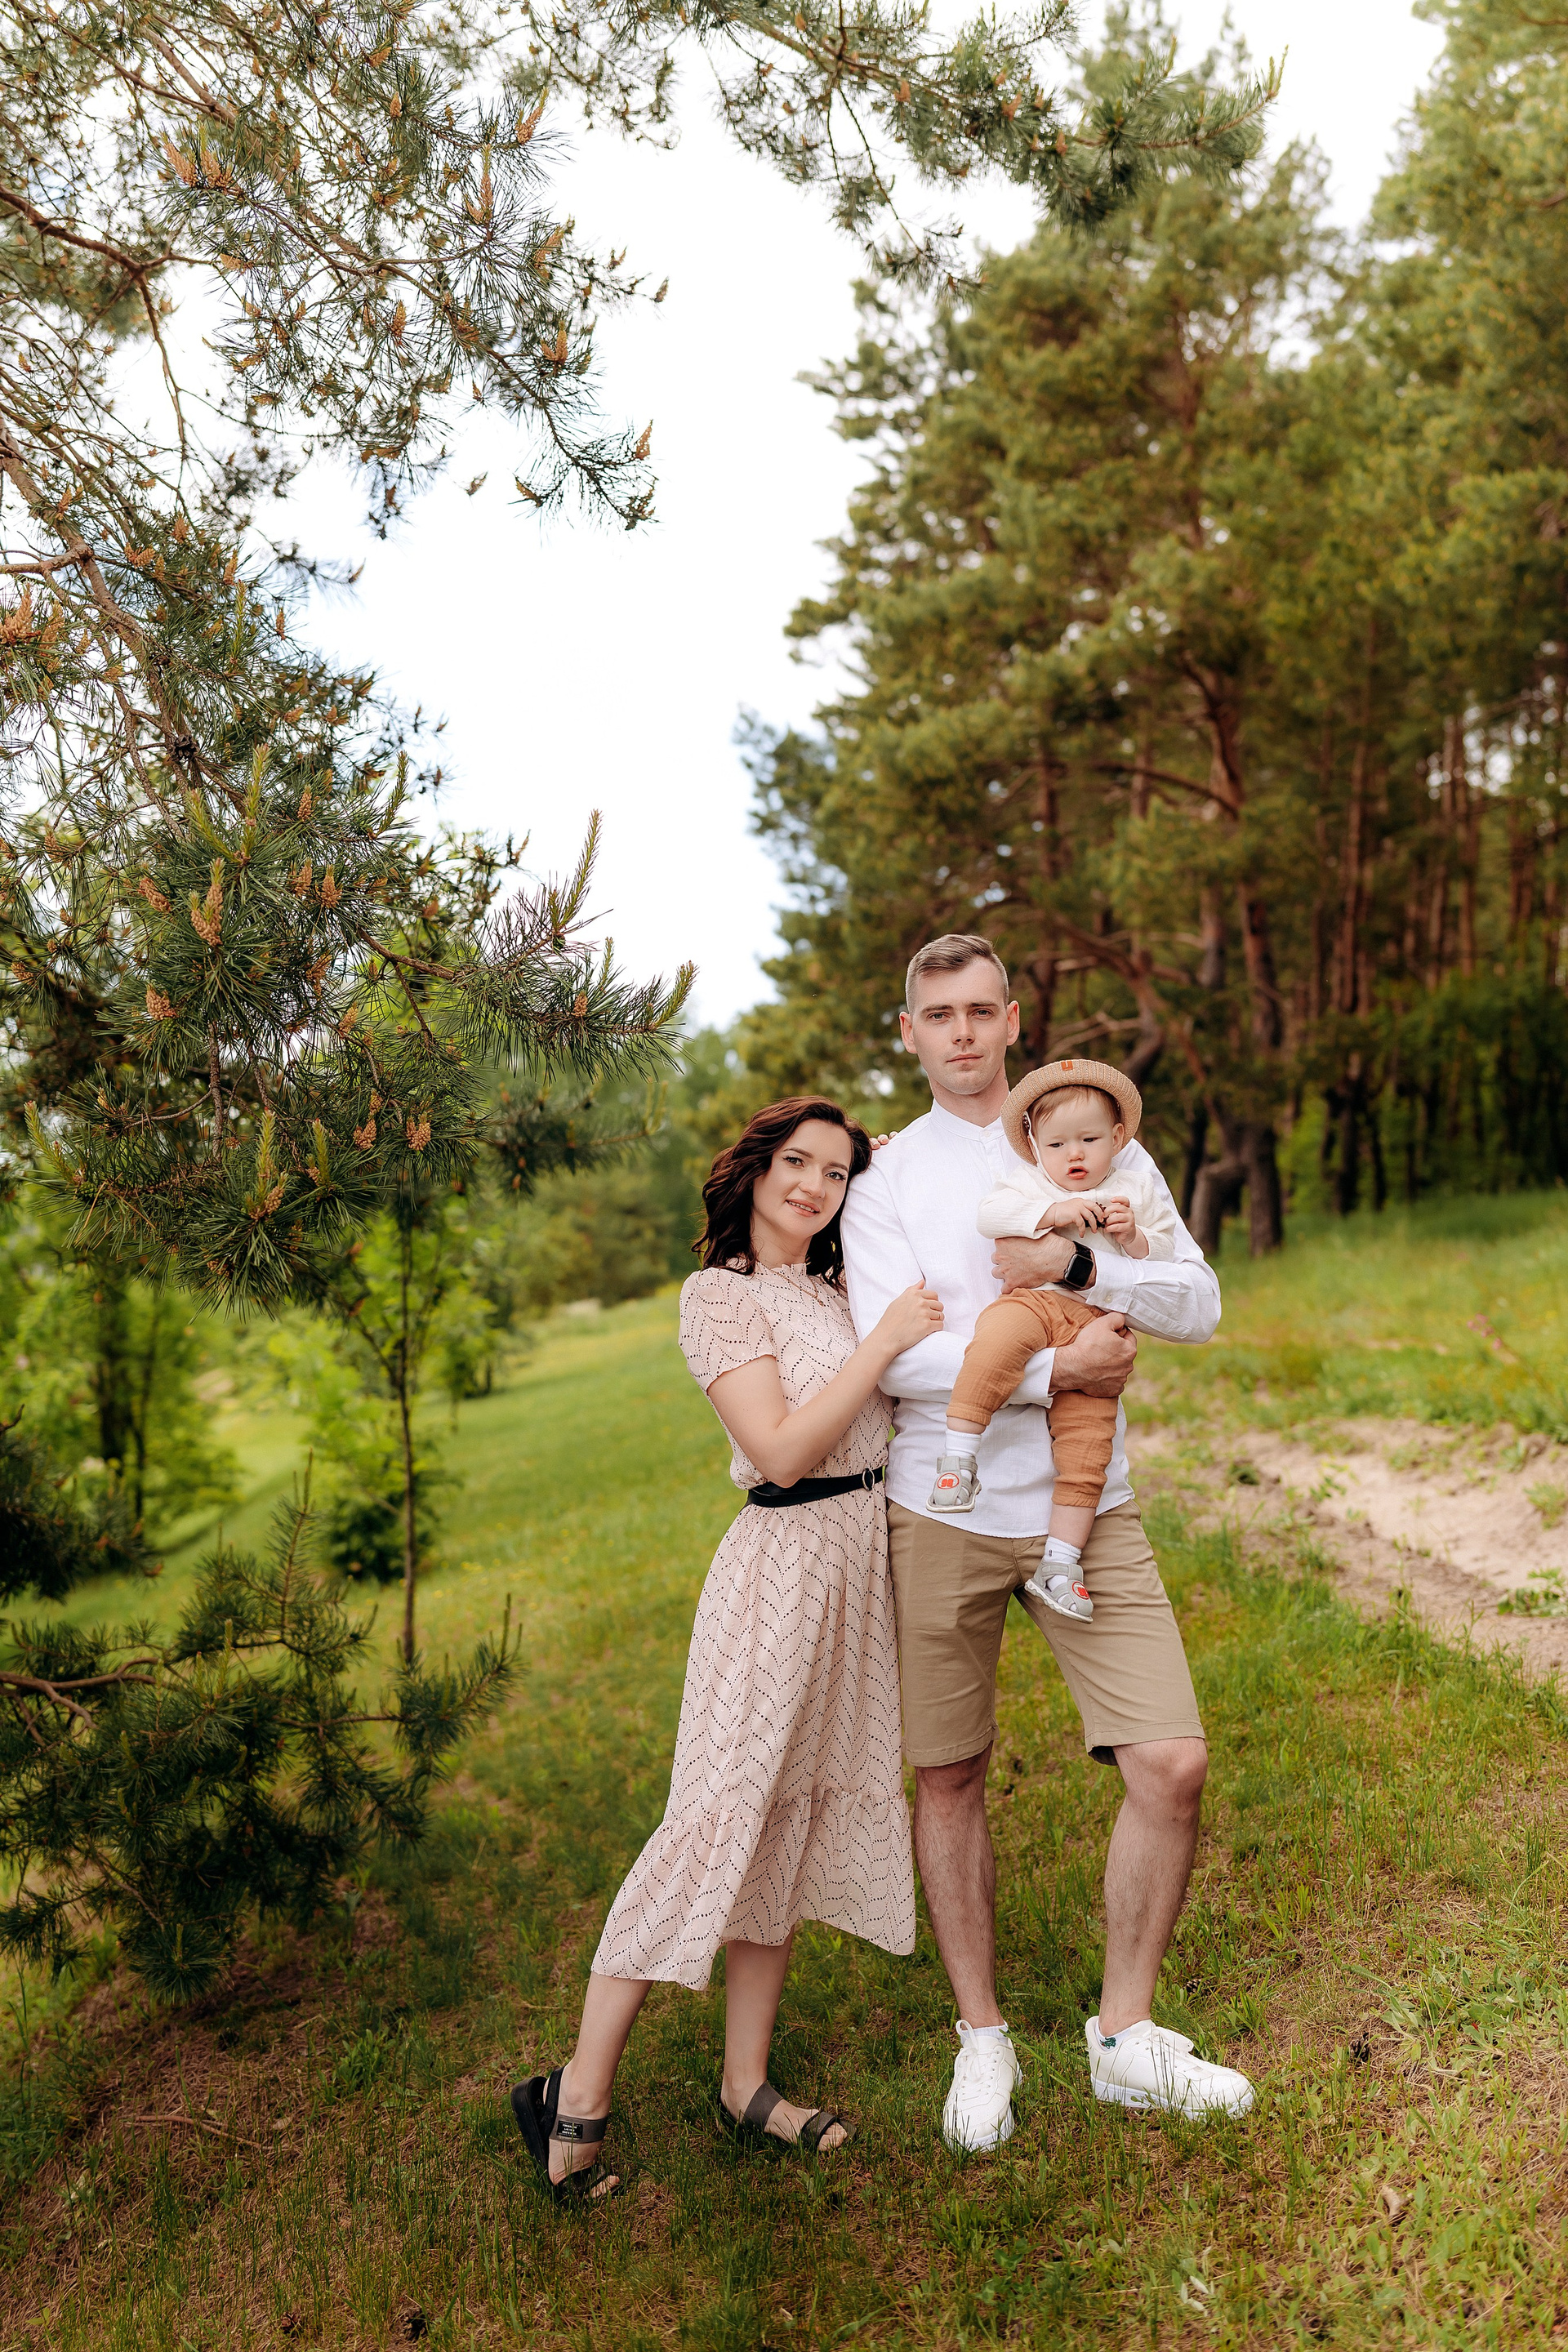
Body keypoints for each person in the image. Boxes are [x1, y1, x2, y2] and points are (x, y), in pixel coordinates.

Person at [840, 933, 1254, 2152]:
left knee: (1170, 1762)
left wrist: (1080, 1262)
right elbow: (896, 1355)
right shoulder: (887, 1179)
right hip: (943, 1504)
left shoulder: (1098, 1146)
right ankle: (983, 2038)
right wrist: (1055, 1371)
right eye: (939, 1015)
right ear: (910, 1034)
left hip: (1089, 1502)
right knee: (950, 1774)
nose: (963, 1032)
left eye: (982, 1010)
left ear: (1014, 1019)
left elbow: (1197, 1304)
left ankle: (1125, 2038)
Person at [510, 1096, 938, 2200]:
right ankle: (573, 2097)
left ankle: (745, 2085)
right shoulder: (720, 1297)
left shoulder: (835, 1288)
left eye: (836, 1172)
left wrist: (902, 1156)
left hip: (855, 1578)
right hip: (779, 1575)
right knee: (712, 1825)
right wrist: (884, 1343)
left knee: (788, 1824)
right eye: (796, 1161)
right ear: (752, 1169)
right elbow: (782, 1450)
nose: (814, 1186)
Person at [930, 1059, 1177, 1629]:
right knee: (994, 1346)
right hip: (1036, 1305)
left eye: (1089, 1140)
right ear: (1035, 1148)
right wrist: (1052, 1211)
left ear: (1117, 1137)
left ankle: (1061, 1563)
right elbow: (991, 1215)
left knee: (1089, 1448)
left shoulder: (1134, 1187)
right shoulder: (1032, 1183)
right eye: (1057, 1144)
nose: (1074, 1155)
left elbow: (1164, 1253)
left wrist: (1134, 1237)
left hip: (1097, 1326)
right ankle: (958, 1457)